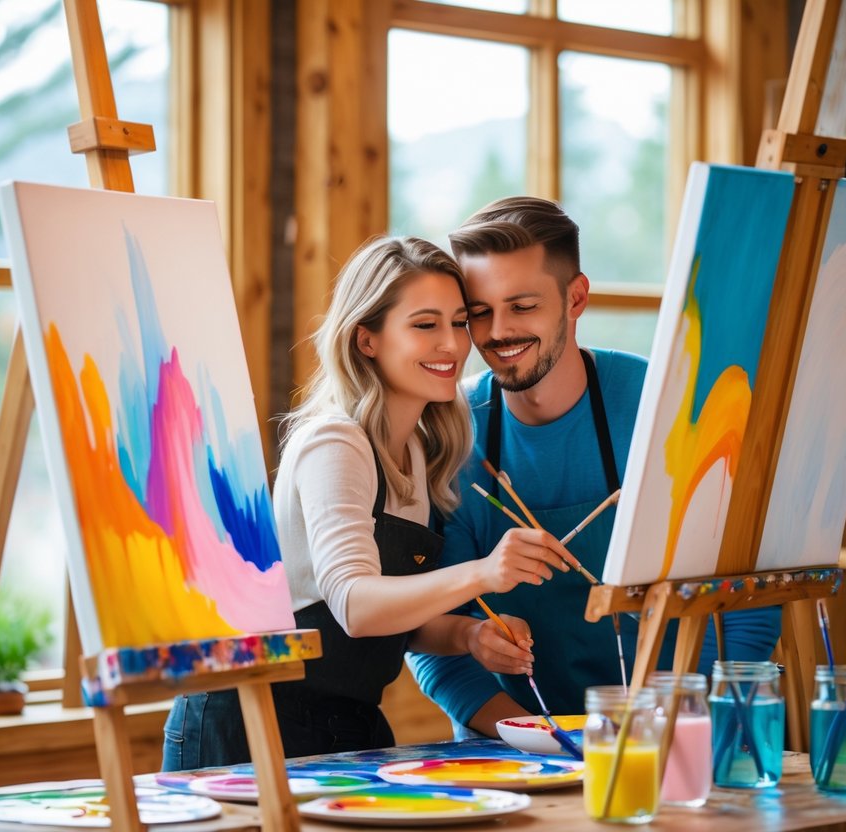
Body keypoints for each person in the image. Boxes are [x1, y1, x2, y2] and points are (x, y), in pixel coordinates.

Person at [161, 236, 571, 769]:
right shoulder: (336, 441)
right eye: (425, 325)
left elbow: (397, 621)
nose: (451, 345)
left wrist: (470, 635)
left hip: (345, 719)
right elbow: (354, 605)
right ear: (367, 340)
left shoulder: (419, 453)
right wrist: (484, 573)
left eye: (458, 322)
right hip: (247, 724)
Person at [408, 197, 782, 736]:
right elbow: (431, 636)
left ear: (575, 297)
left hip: (676, 735)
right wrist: (542, 740)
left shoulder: (666, 407)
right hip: (512, 751)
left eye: (523, 305)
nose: (497, 333)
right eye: (480, 312)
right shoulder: (448, 434)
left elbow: (750, 598)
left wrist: (676, 726)